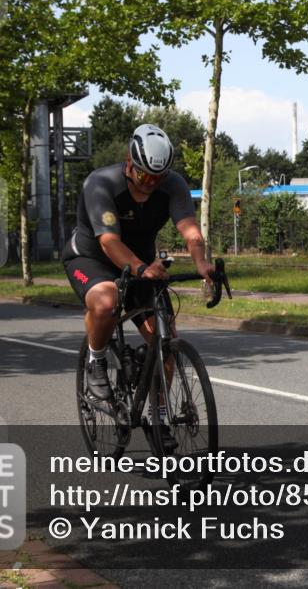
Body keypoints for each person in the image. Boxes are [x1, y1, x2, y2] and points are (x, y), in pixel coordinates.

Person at [62, 124, 214, 424]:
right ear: (129, 163)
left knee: (165, 342)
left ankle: (158, 416)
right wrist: (141, 267)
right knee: (106, 302)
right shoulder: (100, 184)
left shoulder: (173, 185)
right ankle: (97, 360)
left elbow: (191, 231)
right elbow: (109, 241)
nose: (151, 184)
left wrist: (201, 263)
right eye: (145, 175)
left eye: (158, 178)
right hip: (92, 258)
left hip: (141, 264)